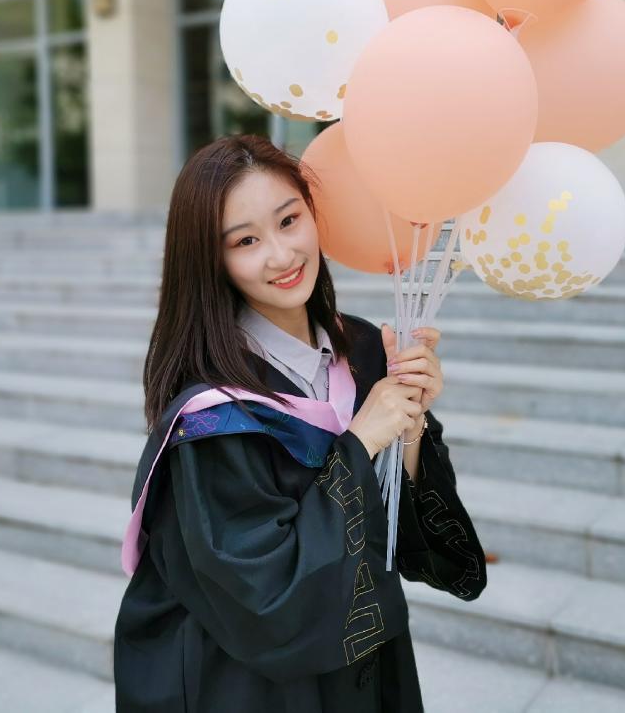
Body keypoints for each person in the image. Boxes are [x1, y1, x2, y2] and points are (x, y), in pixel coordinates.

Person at [113, 134, 487, 712]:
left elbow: (405, 542)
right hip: (251, 687)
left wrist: (408, 424)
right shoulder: (214, 415)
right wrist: (362, 440)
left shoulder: (364, 347)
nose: (282, 255)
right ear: (212, 260)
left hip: (365, 663)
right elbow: (265, 596)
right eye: (246, 240)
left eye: (289, 221)